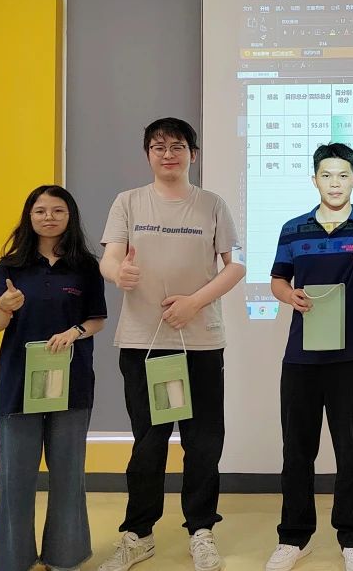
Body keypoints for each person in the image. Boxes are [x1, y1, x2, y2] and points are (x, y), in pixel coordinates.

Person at [97, 118, 245, 571]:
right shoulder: (128, 201)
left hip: (200, 341)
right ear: (147, 154)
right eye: (158, 147)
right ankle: (138, 534)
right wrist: (118, 273)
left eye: (177, 146)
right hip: (143, 341)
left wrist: (194, 303)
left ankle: (201, 530)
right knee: (149, 441)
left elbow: (235, 266)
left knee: (204, 441)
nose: (168, 154)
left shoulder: (213, 204)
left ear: (192, 155)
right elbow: (110, 257)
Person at [266, 143, 353, 571]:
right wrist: (290, 296)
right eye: (326, 175)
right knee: (297, 450)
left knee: (351, 451)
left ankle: (352, 536)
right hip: (301, 357)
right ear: (314, 179)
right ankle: (293, 537)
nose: (335, 183)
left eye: (343, 175)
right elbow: (278, 280)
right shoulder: (293, 229)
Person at [0, 185, 107, 571]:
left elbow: (97, 319)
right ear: (29, 216)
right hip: (18, 384)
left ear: (70, 217)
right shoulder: (9, 267)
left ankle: (65, 556)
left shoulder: (85, 266)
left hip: (72, 383)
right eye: (40, 211)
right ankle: (13, 559)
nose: (48, 217)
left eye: (57, 210)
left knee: (68, 476)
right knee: (16, 480)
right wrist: (4, 306)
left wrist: (76, 332)